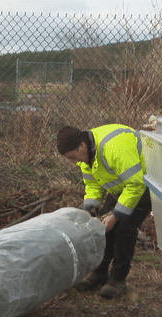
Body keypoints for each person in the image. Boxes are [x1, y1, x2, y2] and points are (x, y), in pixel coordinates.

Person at [56, 124, 152, 298]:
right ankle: (100, 274)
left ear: (82, 147)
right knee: (102, 227)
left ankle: (118, 280)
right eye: (69, 159)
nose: (73, 163)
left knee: (124, 229)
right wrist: (89, 212)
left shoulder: (113, 147)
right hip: (124, 188)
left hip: (144, 184)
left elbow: (136, 184)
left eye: (72, 157)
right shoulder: (87, 155)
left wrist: (116, 215)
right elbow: (93, 185)